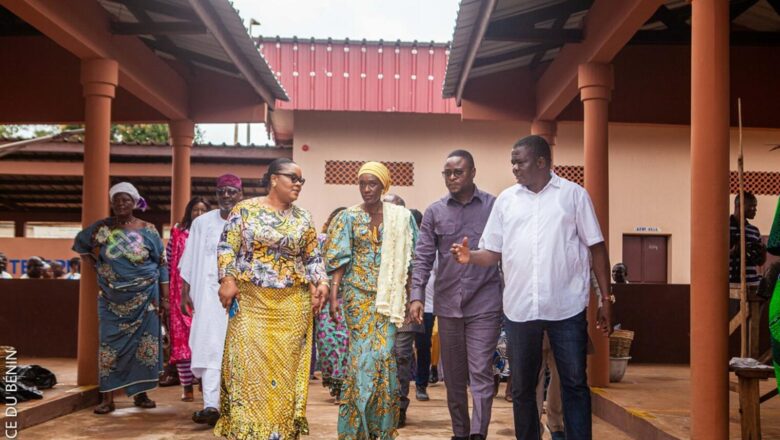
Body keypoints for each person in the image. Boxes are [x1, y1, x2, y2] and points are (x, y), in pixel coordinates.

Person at [451, 135, 613, 440]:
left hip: (566, 309)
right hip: (520, 310)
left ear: (541, 162)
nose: (514, 168)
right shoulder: (506, 201)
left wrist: (606, 297)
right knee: (523, 388)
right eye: (512, 161)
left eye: (520, 161)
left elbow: (597, 247)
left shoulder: (574, 196)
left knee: (574, 383)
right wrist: (469, 256)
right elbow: (492, 252)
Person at [216, 158, 329, 439]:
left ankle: (278, 432)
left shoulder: (303, 217)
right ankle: (248, 432)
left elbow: (312, 256)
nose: (298, 184)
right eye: (293, 178)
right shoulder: (245, 210)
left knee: (284, 373)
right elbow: (227, 247)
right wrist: (227, 279)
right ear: (274, 179)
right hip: (251, 302)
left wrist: (321, 281)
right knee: (247, 370)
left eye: (302, 180)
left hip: (292, 304)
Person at [409, 149, 502, 440]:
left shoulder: (494, 207)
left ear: (473, 172)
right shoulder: (435, 211)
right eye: (447, 173)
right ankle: (461, 433)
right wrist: (416, 295)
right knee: (453, 377)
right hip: (448, 305)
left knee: (481, 373)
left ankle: (478, 434)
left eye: (457, 172)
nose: (451, 178)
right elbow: (423, 257)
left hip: (485, 302)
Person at [325, 161, 419, 439]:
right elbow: (339, 259)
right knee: (359, 360)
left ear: (383, 185)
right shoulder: (349, 217)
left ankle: (380, 425)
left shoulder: (401, 217)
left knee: (382, 356)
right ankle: (356, 428)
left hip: (388, 298)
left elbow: (410, 261)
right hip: (357, 298)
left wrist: (413, 297)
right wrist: (334, 296)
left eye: (372, 183)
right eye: (362, 183)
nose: (366, 189)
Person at [72, 182, 168, 414]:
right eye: (117, 200)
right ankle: (107, 398)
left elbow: (162, 263)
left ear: (134, 202)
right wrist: (94, 265)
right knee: (109, 347)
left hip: (146, 299)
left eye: (126, 200)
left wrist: (164, 299)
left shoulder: (148, 229)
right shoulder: (103, 229)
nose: (121, 204)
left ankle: (140, 395)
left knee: (142, 347)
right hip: (111, 300)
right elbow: (80, 244)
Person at [179, 174, 243, 427]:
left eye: (231, 191)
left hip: (241, 298)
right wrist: (186, 293)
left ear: (240, 193)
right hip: (207, 297)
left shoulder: (248, 219)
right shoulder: (202, 223)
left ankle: (238, 405)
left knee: (239, 350)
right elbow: (189, 260)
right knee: (210, 348)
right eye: (221, 191)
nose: (226, 196)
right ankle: (211, 405)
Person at [383, 193, 423, 428]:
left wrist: (415, 298)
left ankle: (399, 407)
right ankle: (381, 406)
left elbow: (419, 266)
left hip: (405, 306)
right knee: (380, 359)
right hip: (377, 308)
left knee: (401, 356)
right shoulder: (373, 235)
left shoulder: (412, 237)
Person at [166, 196, 210, 403]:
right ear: (189, 212)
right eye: (195, 210)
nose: (199, 214)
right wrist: (170, 294)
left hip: (204, 293)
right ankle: (187, 387)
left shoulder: (212, 233)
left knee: (204, 339)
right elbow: (169, 263)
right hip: (179, 293)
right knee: (182, 341)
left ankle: (203, 382)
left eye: (203, 210)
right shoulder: (178, 233)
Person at [315, 206, 349, 403]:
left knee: (344, 342)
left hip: (347, 300)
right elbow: (311, 267)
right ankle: (334, 384)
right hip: (325, 300)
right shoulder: (321, 241)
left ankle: (342, 387)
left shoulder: (351, 243)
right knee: (327, 344)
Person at [729, 192, 766, 291]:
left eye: (755, 206)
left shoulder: (754, 230)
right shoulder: (724, 227)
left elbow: (760, 262)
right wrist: (733, 252)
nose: (755, 209)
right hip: (730, 285)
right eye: (752, 206)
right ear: (739, 205)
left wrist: (763, 253)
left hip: (752, 284)